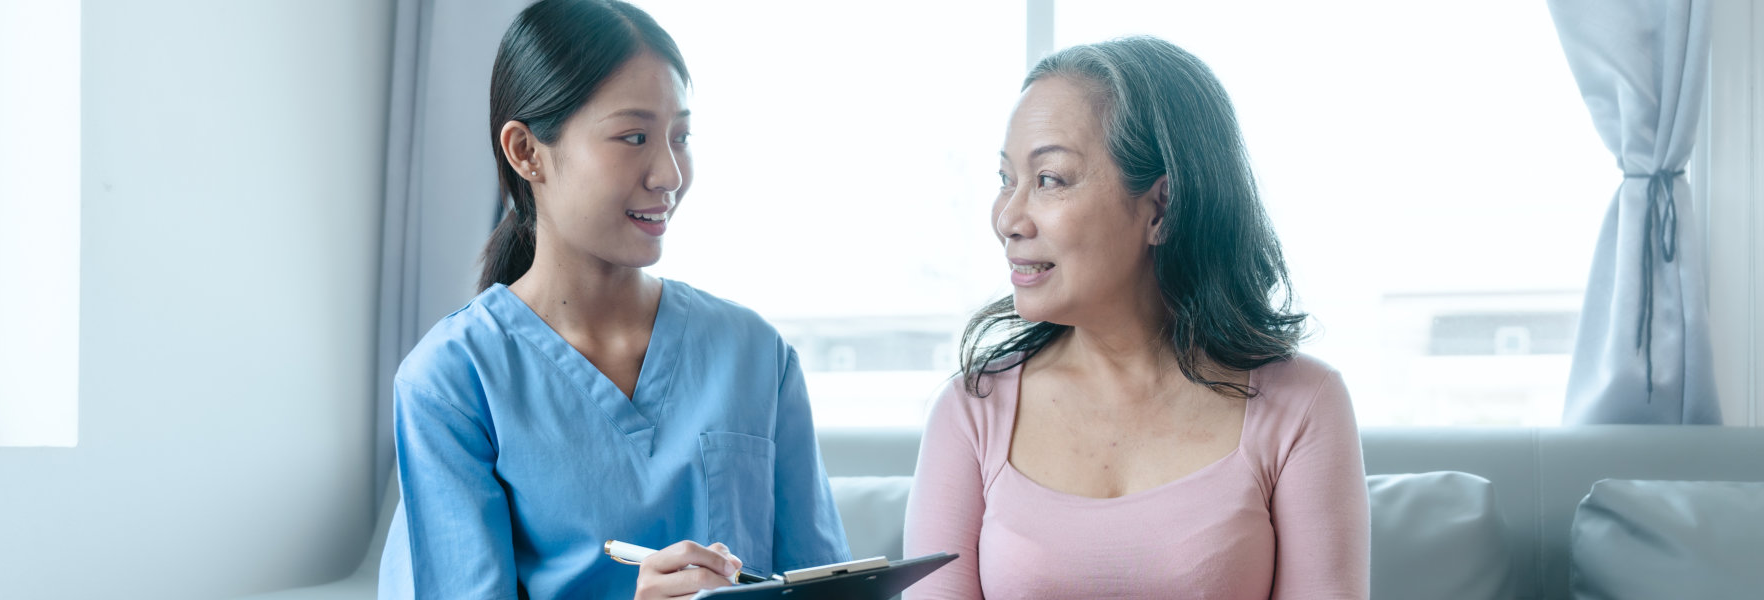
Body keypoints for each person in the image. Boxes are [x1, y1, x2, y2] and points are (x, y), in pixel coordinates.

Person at [377, 2, 849, 597]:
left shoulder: (755, 355)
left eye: (681, 136)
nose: (670, 174)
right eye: (634, 137)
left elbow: (826, 587)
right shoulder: (451, 381)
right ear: (526, 151)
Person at [903, 36, 1369, 599]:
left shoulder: (1303, 404)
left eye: (1049, 179)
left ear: (1162, 206)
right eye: (1006, 179)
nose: (1008, 217)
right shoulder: (970, 413)